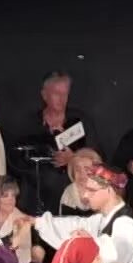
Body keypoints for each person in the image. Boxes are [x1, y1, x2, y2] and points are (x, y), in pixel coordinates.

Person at [23, 71, 96, 207]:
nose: (62, 99)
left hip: (74, 200)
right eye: (56, 94)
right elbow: (20, 162)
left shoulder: (80, 121)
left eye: (65, 94)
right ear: (44, 95)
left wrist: (74, 158)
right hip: (38, 198)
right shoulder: (31, 124)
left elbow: (97, 158)